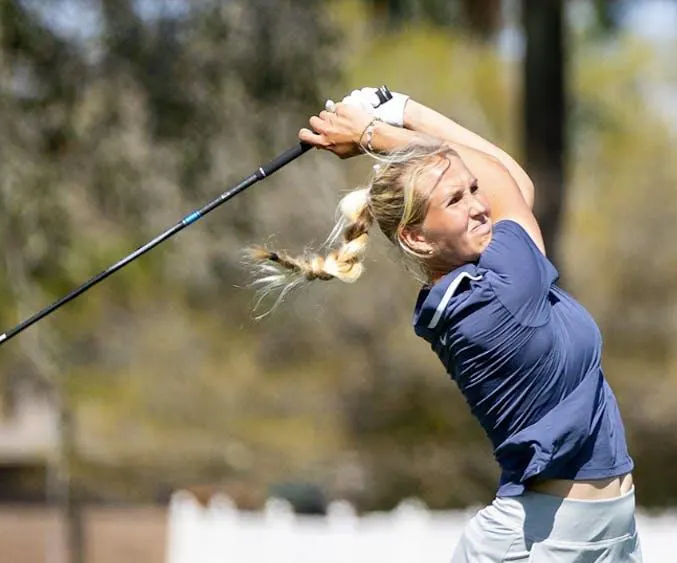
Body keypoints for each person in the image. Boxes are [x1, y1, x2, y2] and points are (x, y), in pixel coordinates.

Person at [248, 87, 643, 562]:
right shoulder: (493, 297)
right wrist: (376, 132)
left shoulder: (488, 272)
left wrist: (402, 111)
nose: (477, 205)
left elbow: (508, 183)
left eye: (472, 191)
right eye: (456, 200)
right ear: (416, 236)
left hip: (602, 533)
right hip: (538, 544)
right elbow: (506, 182)